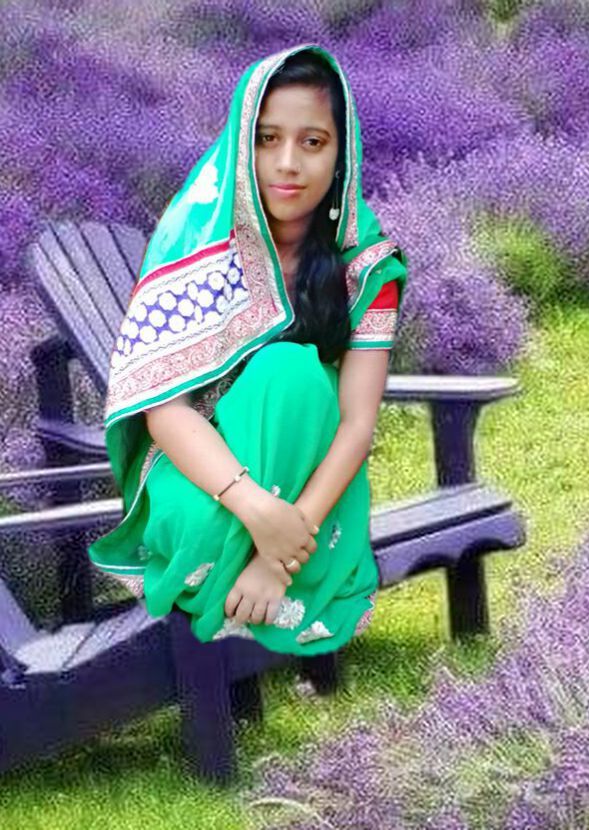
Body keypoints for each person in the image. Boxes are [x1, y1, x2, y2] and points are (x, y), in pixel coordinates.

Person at [87, 43, 408, 656]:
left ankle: (256, 580)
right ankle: (251, 573)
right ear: (241, 144)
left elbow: (356, 425)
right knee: (202, 524)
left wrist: (277, 557)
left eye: (312, 142)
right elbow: (166, 414)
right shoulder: (195, 246)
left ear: (342, 154)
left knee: (292, 372)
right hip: (201, 473)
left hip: (310, 487)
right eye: (267, 140)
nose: (288, 163)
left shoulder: (366, 266)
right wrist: (259, 513)